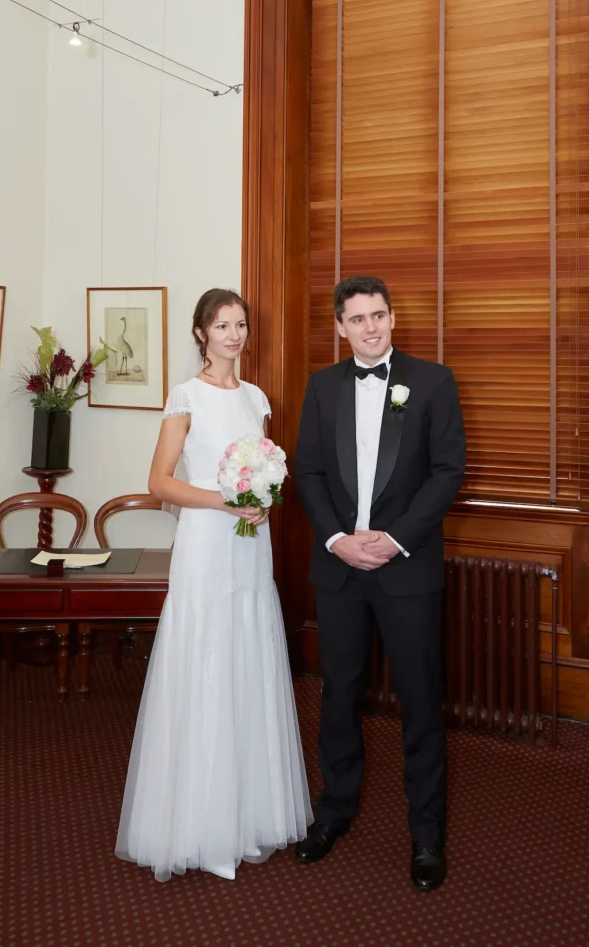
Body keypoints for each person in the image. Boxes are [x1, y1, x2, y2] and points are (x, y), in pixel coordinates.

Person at [116, 288, 312, 881]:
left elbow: (266, 476)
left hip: (251, 546)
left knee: (248, 655)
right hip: (205, 542)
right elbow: (158, 482)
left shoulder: (257, 399)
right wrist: (226, 501)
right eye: (222, 325)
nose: (234, 334)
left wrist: (262, 501)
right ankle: (196, 821)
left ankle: (250, 810)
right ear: (201, 333)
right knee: (204, 657)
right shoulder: (185, 397)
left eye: (241, 324)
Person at [292, 275, 465, 891]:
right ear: (340, 327)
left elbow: (447, 473)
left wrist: (392, 540)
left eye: (379, 315)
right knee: (338, 695)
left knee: (419, 700)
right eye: (358, 318)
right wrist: (339, 540)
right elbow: (307, 470)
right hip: (339, 568)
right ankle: (332, 813)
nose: (370, 327)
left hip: (406, 568)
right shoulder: (321, 386)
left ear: (393, 318)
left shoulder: (434, 382)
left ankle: (426, 834)